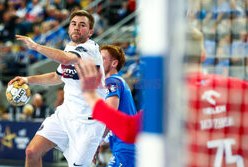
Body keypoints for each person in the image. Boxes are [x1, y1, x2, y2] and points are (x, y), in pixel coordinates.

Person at [75, 26, 248, 166]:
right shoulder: (238, 88)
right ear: (203, 55)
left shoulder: (169, 100)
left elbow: (127, 130)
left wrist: (90, 96)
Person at [8, 10, 106, 167]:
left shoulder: (90, 49)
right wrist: (27, 79)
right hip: (65, 114)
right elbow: (57, 77)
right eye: (73, 24)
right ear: (68, 28)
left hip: (88, 122)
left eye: (82, 25)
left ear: (90, 32)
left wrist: (36, 46)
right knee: (32, 152)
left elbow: (67, 58)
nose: (76, 28)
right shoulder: (69, 48)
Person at [100, 45, 137, 167]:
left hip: (126, 147)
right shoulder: (119, 81)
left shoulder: (112, 81)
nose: (98, 62)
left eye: (102, 58)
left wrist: (97, 141)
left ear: (114, 63)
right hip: (126, 146)